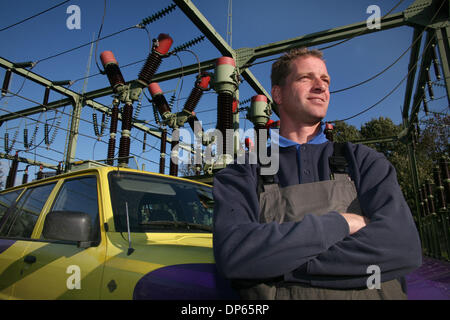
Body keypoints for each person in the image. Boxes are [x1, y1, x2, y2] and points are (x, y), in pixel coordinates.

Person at [212, 48, 422, 300]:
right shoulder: (244, 171)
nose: (320, 87)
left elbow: (402, 247)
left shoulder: (364, 161)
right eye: (306, 78)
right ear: (277, 93)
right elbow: (236, 254)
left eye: (325, 81)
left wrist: (275, 264)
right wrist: (343, 222)